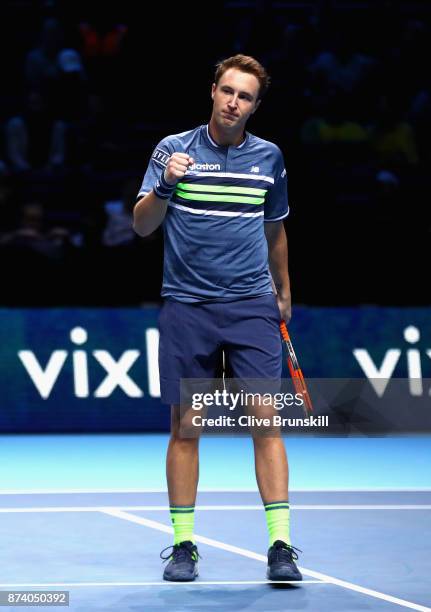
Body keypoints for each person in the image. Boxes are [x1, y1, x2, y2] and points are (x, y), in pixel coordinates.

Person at [133, 54, 302, 582]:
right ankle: (184, 547)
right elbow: (141, 226)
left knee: (265, 422)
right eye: (227, 91)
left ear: (255, 105)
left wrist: (284, 293)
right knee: (187, 426)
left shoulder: (269, 158)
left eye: (245, 96)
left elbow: (276, 230)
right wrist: (164, 185)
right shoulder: (172, 150)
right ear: (212, 92)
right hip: (188, 306)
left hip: (251, 305)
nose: (234, 102)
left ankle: (280, 546)